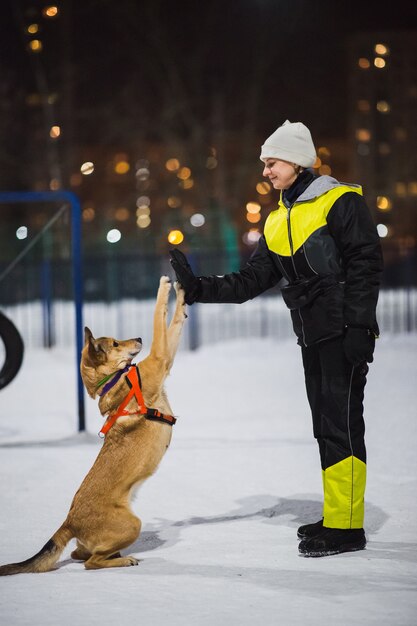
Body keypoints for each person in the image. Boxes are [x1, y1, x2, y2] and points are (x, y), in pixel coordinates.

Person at [169, 119, 384, 557]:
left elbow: (366, 263)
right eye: (265, 163)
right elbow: (251, 281)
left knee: (342, 425)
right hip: (312, 336)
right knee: (326, 427)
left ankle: (348, 528)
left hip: (343, 332)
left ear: (297, 161)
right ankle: (337, 516)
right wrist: (199, 287)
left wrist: (361, 326)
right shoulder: (277, 219)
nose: (266, 170)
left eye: (272, 162)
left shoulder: (339, 202)